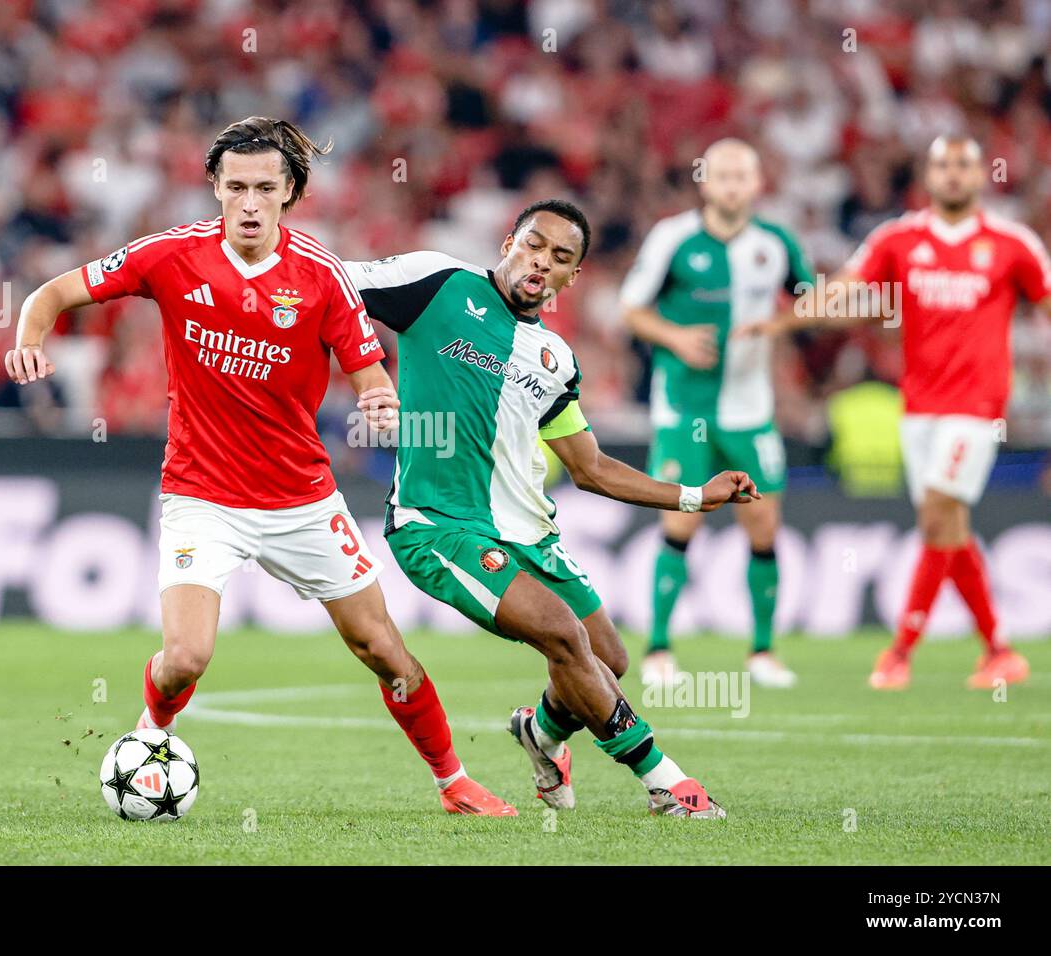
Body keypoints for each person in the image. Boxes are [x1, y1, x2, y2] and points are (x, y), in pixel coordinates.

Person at [5, 116, 515, 815]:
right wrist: (30, 339)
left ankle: (453, 781)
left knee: (384, 651)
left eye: (264, 188)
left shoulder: (322, 276)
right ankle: (151, 732)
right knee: (185, 657)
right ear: (215, 186)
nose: (249, 202)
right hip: (201, 494)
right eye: (236, 186)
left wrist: (379, 404)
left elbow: (369, 373)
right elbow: (52, 293)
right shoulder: (171, 255)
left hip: (302, 499)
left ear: (290, 192)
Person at [343, 199, 760, 817]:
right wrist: (369, 375)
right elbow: (325, 281)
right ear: (509, 240)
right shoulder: (437, 283)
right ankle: (666, 784)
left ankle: (540, 734)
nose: (542, 262)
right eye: (534, 245)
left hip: (530, 536)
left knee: (609, 660)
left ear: (573, 278)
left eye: (561, 257)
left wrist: (695, 496)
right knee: (566, 638)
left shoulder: (555, 360)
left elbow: (590, 469)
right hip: (439, 526)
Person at [748, 135, 1047, 690]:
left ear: (981, 175)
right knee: (947, 525)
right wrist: (789, 317)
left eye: (963, 165)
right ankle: (999, 652)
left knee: (938, 513)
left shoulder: (1011, 243)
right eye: (942, 166)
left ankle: (900, 652)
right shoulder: (899, 239)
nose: (953, 175)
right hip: (919, 408)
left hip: (979, 407)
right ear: (928, 177)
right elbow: (848, 292)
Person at [620, 139, 813, 690]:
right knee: (681, 520)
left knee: (763, 525)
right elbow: (631, 309)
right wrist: (675, 337)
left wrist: (780, 326)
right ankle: (658, 649)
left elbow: (815, 301)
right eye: (722, 174)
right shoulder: (672, 237)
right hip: (684, 410)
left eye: (742, 175)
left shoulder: (775, 244)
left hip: (751, 411)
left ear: (757, 183)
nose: (732, 184)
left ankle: (762, 652)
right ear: (705, 181)